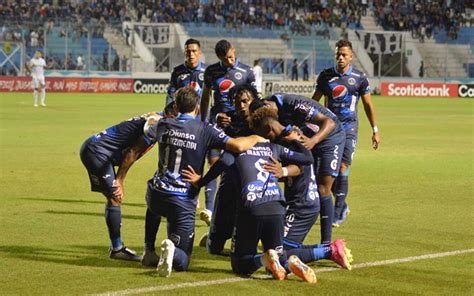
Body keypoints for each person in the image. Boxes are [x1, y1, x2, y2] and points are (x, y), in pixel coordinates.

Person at [141, 87, 268, 277]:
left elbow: (147, 128)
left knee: (154, 203)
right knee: (183, 260)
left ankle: (148, 250)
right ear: (198, 108)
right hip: (182, 199)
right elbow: (238, 146)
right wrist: (257, 136)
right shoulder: (204, 129)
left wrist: (153, 118)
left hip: (157, 195)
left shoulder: (164, 125)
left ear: (176, 106)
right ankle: (173, 251)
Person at [182, 108, 317, 283]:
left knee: (240, 264)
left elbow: (223, 162)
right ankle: (289, 261)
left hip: (251, 208)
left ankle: (264, 259)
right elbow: (307, 159)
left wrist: (200, 182)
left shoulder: (239, 147)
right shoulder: (275, 148)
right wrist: (295, 142)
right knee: (278, 253)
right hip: (277, 208)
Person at [252, 109, 353, 270]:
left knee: (278, 257)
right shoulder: (291, 134)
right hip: (301, 201)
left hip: (302, 204)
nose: (265, 139)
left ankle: (330, 250)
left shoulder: (290, 138)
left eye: (264, 134)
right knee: (281, 251)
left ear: (268, 129)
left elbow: (301, 165)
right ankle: (329, 249)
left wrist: (282, 171)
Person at [249, 93, 346, 245]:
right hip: (306, 136)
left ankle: (327, 244)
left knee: (323, 188)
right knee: (298, 178)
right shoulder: (270, 113)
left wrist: (313, 141)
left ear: (268, 108)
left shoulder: (295, 105)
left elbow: (329, 122)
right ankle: (289, 229)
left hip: (330, 136)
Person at [312, 39, 380, 227]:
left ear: (351, 57)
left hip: (349, 127)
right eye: (338, 54)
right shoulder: (326, 76)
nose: (340, 58)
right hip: (330, 128)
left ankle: (337, 213)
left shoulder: (359, 78)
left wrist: (375, 130)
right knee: (327, 171)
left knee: (343, 168)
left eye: (344, 55)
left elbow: (368, 105)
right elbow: (315, 102)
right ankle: (343, 205)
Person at [79, 111, 162, 261]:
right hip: (98, 153)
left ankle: (116, 247)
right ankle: (117, 249)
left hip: (100, 152)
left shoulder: (159, 118)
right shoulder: (155, 126)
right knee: (115, 196)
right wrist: (120, 180)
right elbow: (132, 152)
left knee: (113, 198)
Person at [199, 39, 256, 226]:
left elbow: (254, 99)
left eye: (231, 57)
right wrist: (204, 121)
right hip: (217, 123)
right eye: (225, 59)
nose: (230, 61)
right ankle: (208, 209)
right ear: (219, 57)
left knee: (236, 166)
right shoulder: (211, 71)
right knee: (214, 162)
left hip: (239, 125)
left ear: (234, 50)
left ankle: (234, 207)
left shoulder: (246, 72)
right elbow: (206, 97)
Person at [165, 38, 214, 224]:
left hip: (203, 125)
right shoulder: (178, 73)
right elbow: (170, 98)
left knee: (210, 162)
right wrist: (169, 118)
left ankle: (209, 208)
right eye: (188, 51)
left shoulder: (207, 72)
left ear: (199, 52)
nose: (191, 54)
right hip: (183, 126)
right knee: (186, 163)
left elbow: (212, 99)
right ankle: (190, 198)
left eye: (194, 51)